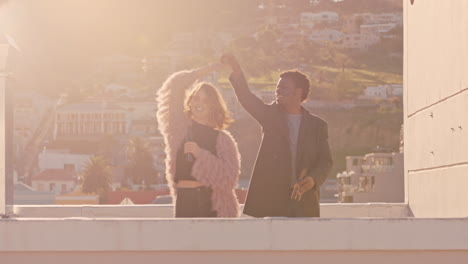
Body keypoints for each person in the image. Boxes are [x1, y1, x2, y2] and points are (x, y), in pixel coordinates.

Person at [221, 54, 333, 217]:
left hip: (304, 201)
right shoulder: (269, 115)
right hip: (271, 201)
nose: (277, 91)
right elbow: (246, 98)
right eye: (277, 87)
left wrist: (312, 180)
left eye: (283, 88)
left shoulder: (317, 126)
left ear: (298, 93)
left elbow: (325, 161)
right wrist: (237, 71)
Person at [156, 62, 241, 217]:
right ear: (189, 102)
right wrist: (209, 69)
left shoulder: (223, 139)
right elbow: (175, 85)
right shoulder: (178, 130)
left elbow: (229, 177)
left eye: (205, 100)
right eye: (196, 98)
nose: (199, 104)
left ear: (213, 105)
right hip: (184, 200)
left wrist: (200, 154)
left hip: (213, 204)